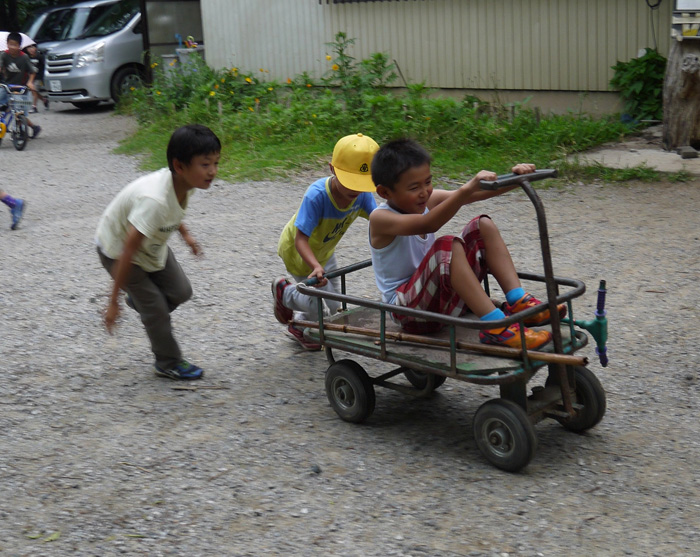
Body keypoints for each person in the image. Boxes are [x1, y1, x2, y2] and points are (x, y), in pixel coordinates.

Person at [368, 138, 566, 349]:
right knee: (447, 246)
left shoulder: (426, 200)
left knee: (482, 225)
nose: (424, 192)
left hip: (438, 300)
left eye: (428, 182)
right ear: (385, 192)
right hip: (408, 312)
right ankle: (496, 328)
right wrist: (466, 188)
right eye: (414, 187)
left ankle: (518, 301)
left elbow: (475, 194)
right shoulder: (380, 219)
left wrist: (516, 179)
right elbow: (429, 223)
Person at [95, 124, 221, 380]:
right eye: (205, 164)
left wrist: (186, 236)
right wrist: (113, 303)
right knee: (156, 311)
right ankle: (167, 362)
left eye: (216, 163)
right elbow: (127, 251)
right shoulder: (154, 201)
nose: (213, 171)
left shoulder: (183, 183)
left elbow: (174, 209)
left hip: (151, 246)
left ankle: (142, 303)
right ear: (179, 166)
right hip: (119, 253)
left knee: (181, 292)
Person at [273, 133, 379, 350]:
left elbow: (381, 220)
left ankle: (300, 327)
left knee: (336, 301)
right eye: (350, 182)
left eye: (362, 183)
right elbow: (301, 239)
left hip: (325, 250)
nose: (356, 190)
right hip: (299, 252)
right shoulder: (317, 196)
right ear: (332, 169)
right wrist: (315, 266)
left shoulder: (362, 196)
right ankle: (284, 292)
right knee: (316, 304)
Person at [0, 32, 41, 138]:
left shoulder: (24, 57)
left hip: (20, 88)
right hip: (7, 86)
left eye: (15, 45)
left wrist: (30, 82)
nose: (13, 47)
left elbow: (32, 71)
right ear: (7, 44)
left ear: (20, 46)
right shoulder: (4, 55)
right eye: (10, 44)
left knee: (19, 111)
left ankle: (23, 129)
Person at [22, 44, 49, 113]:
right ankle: (44, 99)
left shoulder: (40, 56)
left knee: (34, 90)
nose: (31, 49)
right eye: (29, 47)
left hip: (38, 76)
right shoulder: (26, 57)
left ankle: (34, 107)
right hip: (30, 77)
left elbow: (45, 66)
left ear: (36, 48)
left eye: (32, 47)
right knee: (33, 91)